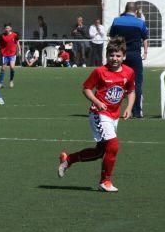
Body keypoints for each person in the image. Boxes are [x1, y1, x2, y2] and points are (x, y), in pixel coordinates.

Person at [57, 37, 135, 193]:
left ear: (124, 57)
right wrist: (97, 102)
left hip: (114, 115)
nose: (115, 58)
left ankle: (68, 159)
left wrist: (129, 107)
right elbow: (86, 88)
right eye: (112, 55)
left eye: (118, 55)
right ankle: (105, 181)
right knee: (113, 145)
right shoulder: (100, 72)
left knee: (100, 152)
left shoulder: (129, 72)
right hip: (98, 114)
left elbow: (131, 91)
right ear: (107, 55)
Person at [109, 2, 148, 118]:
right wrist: (145, 52)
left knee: (115, 81)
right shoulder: (140, 22)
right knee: (137, 83)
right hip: (134, 55)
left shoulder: (116, 21)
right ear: (136, 11)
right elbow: (145, 38)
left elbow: (112, 38)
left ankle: (111, 110)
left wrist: (111, 54)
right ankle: (137, 111)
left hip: (120, 55)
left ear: (125, 10)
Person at [0, 23, 19, 89]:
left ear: (11, 28)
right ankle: (1, 83)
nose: (7, 29)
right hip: (5, 54)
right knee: (3, 68)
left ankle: (11, 81)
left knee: (12, 67)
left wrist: (19, 50)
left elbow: (17, 42)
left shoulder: (14, 35)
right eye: (6, 28)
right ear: (4, 29)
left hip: (12, 53)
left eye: (8, 28)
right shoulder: (2, 36)